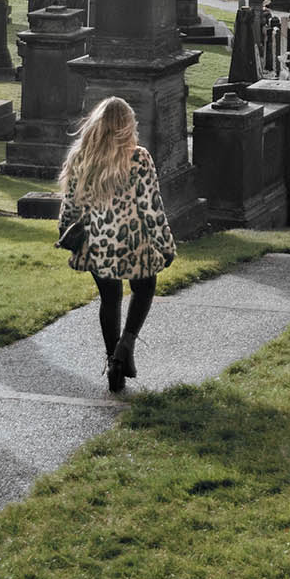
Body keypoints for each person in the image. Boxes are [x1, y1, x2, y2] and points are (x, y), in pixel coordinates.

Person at [56, 96, 175, 393]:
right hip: (134, 244)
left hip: (97, 244)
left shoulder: (81, 157)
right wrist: (165, 245)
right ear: (127, 126)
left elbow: (70, 205)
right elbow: (151, 208)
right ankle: (126, 346)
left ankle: (113, 363)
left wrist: (64, 232)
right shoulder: (139, 158)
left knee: (110, 299)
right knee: (144, 288)